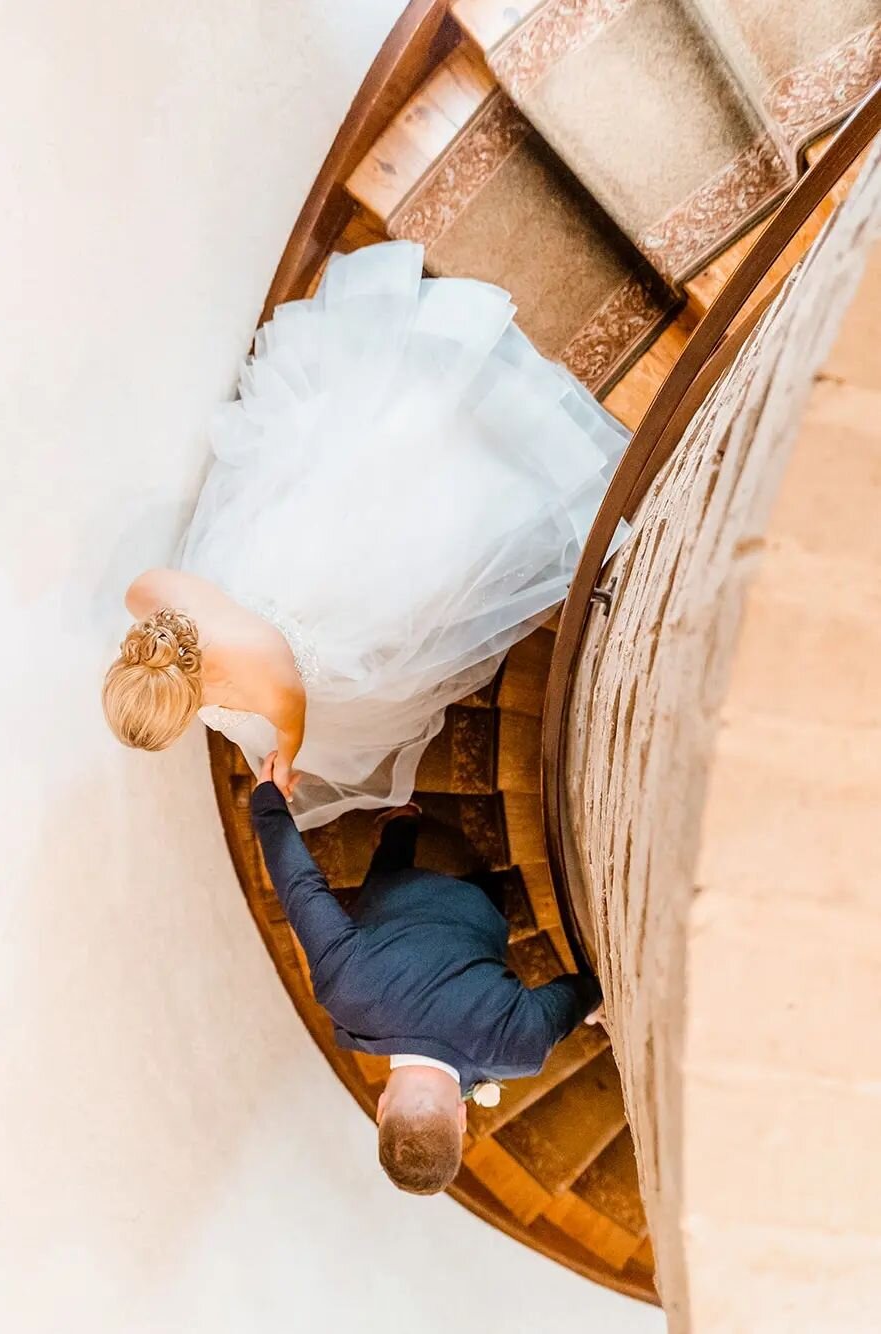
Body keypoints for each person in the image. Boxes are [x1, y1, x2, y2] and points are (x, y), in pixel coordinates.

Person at [103, 241, 629, 828]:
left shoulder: (269, 681)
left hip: (339, 612)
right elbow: (150, 595)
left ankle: (510, 441)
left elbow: (290, 726)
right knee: (346, 468)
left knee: (440, 535)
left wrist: (279, 767)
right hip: (274, 555)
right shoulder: (147, 594)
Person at [250, 753, 602, 1194]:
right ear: (381, 1109)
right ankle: (400, 822)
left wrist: (593, 1005)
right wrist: (267, 801)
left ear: (460, 1118)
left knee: (473, 903)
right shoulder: (344, 989)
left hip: (480, 909)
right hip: (395, 895)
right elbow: (300, 886)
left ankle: (446, 848)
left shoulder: (521, 1048)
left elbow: (577, 992)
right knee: (383, 888)